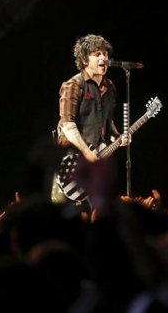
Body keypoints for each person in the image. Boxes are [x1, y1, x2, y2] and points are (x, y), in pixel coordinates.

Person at [51, 34, 130, 207]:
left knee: (100, 214)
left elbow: (107, 122)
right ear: (85, 59)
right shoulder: (74, 85)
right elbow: (67, 125)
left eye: (105, 54)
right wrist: (87, 153)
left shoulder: (110, 87)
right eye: (97, 54)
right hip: (71, 163)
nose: (104, 58)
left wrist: (118, 136)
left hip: (96, 163)